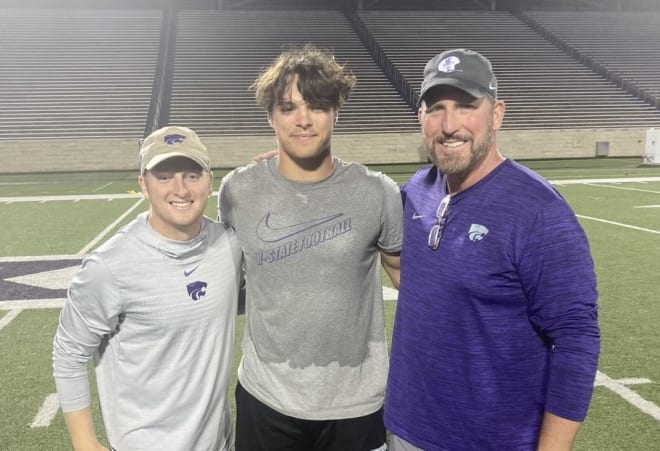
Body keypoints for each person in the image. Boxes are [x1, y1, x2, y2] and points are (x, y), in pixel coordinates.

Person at [384, 49, 601, 451]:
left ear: (497, 114)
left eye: (466, 106)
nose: (449, 125)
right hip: (406, 429)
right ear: (421, 118)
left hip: (492, 440)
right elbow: (395, 255)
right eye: (436, 109)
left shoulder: (538, 210)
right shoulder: (417, 190)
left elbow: (576, 338)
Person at [217, 44, 403, 451]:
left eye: (316, 106)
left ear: (336, 111)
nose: (303, 120)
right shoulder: (238, 191)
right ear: (270, 116)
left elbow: (413, 285)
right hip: (267, 398)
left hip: (355, 404)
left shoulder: (377, 193)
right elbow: (220, 281)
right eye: (288, 108)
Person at [52, 126, 242, 451]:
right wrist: (84, 443)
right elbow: (68, 353)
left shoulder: (229, 244)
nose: (180, 189)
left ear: (210, 181)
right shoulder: (109, 266)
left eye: (192, 175)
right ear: (144, 184)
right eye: (164, 176)